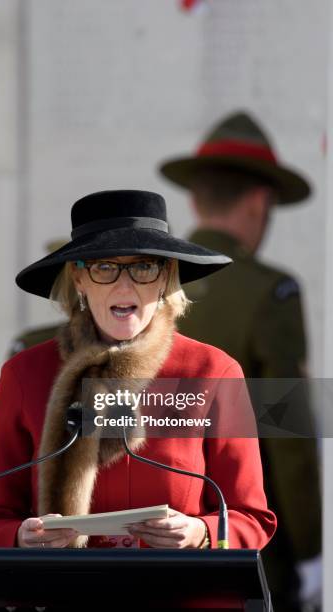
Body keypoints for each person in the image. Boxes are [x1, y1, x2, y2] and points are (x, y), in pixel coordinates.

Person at [0, 189, 276, 553]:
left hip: (181, 596)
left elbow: (252, 518)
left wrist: (200, 531)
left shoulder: (214, 371)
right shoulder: (24, 374)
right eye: (104, 267)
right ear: (78, 279)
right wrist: (21, 536)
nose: (124, 285)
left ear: (165, 277)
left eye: (144, 267)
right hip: (62, 596)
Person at [159, 111, 321, 611]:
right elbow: (285, 439)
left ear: (194, 198)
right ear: (258, 201)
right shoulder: (268, 292)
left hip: (145, 546)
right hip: (241, 550)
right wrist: (310, 552)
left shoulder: (142, 282)